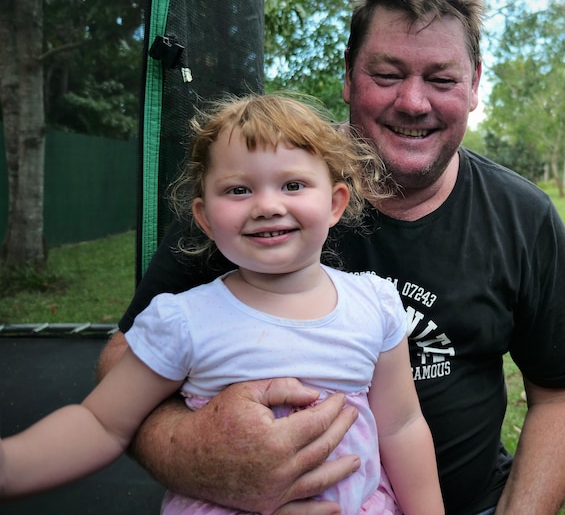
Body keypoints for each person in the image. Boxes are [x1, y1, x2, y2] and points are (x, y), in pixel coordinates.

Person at [99, 0, 565, 515]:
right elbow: (122, 360)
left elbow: (564, 396)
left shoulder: (522, 216)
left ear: (475, 85)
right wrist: (196, 454)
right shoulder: (254, 199)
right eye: (387, 74)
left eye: (441, 79)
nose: (413, 102)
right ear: (348, 76)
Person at [0, 94, 444, 515]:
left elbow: (401, 427)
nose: (267, 205)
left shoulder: (374, 304)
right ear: (205, 218)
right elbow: (102, 424)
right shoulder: (184, 321)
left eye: (292, 184)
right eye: (237, 190)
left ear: (334, 203)